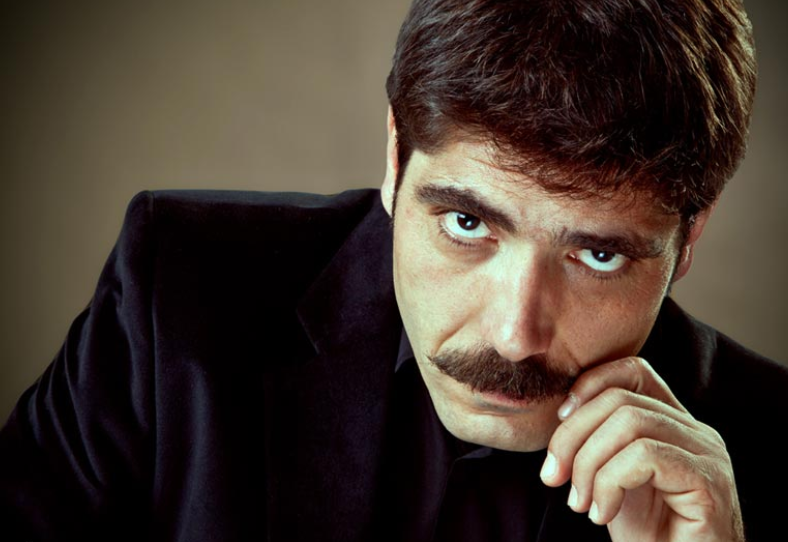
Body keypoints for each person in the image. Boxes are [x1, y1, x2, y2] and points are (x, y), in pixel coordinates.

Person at [2, 0, 786, 541]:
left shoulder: (767, 446)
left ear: (690, 237)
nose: (515, 335)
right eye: (467, 223)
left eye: (599, 255)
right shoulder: (178, 292)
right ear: (395, 158)